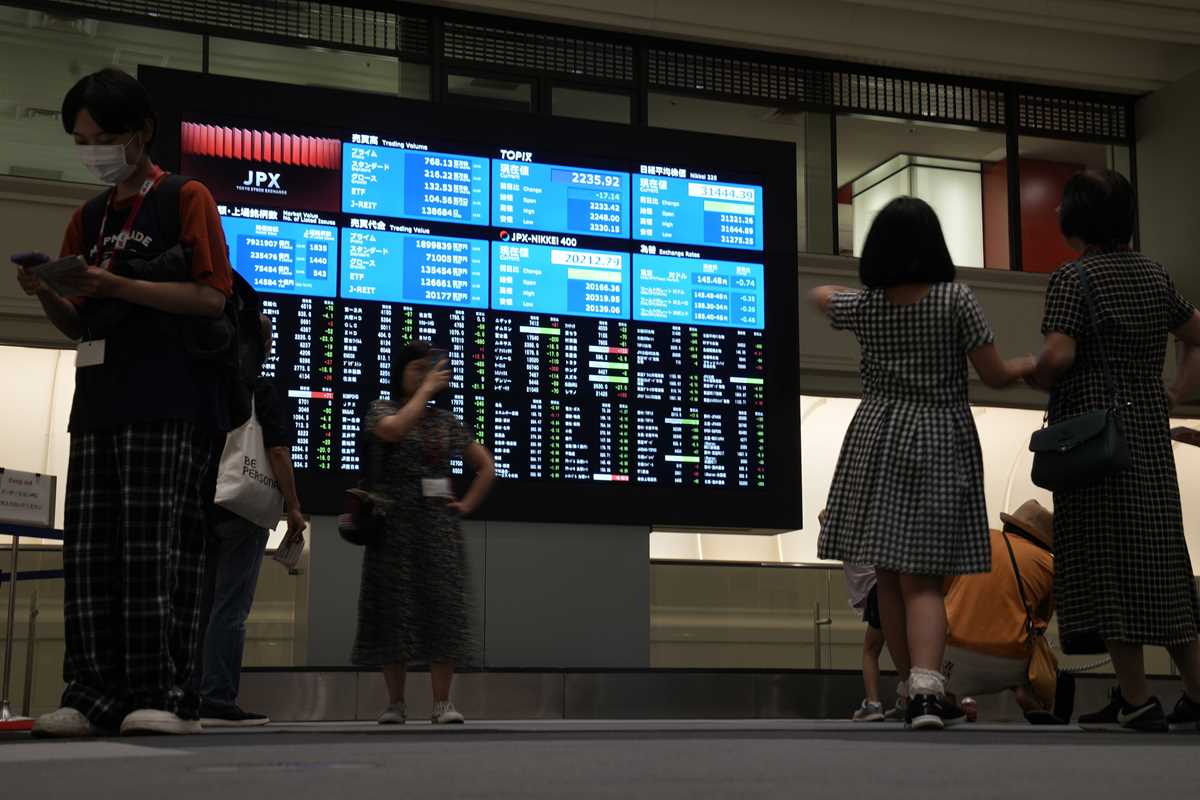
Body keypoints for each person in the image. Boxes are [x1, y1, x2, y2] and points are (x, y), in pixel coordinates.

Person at [14, 68, 234, 737]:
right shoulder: (87, 217)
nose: (93, 152)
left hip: (170, 399)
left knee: (155, 548)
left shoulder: (184, 197)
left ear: (141, 132)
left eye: (103, 139)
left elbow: (211, 297)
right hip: (99, 404)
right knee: (90, 552)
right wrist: (48, 291)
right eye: (82, 142)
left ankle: (162, 692)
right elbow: (79, 323)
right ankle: (91, 694)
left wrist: (116, 285)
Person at [810, 196, 1034, 730]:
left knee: (888, 575)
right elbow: (994, 375)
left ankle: (910, 688)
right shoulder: (956, 300)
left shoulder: (867, 306)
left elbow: (819, 295)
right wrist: (1029, 363)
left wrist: (864, 290)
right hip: (936, 437)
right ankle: (930, 693)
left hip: (876, 437)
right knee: (924, 581)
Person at [1029, 169, 1200, 732]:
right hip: (1147, 435)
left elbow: (1057, 356)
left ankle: (1137, 698)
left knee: (1106, 566)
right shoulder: (1154, 274)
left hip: (1093, 443)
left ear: (1079, 218)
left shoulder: (1074, 277)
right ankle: (1196, 693)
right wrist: (1174, 392)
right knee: (1163, 564)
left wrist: (1030, 371)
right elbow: (1196, 333)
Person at [352, 340, 496, 725]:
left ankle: (442, 703)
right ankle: (395, 703)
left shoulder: (446, 421)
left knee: (442, 611)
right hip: (393, 527)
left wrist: (466, 505)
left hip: (438, 531)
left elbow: (486, 467)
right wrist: (425, 392)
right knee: (393, 611)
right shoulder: (381, 409)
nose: (423, 376)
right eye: (415, 369)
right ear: (399, 373)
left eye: (428, 370)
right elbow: (394, 431)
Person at [197, 314, 306, 728]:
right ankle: (218, 697)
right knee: (230, 607)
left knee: (203, 605)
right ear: (264, 345)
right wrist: (292, 506)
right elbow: (277, 452)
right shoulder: (260, 389)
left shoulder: (211, 384)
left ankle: (190, 692)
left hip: (206, 505)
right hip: (244, 511)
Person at [942, 500, 1069, 724]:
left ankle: (946, 699)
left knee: (945, 632)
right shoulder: (1047, 565)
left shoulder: (977, 541)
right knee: (1033, 637)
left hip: (951, 656)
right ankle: (1028, 694)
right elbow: (1042, 619)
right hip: (1009, 663)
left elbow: (944, 591)